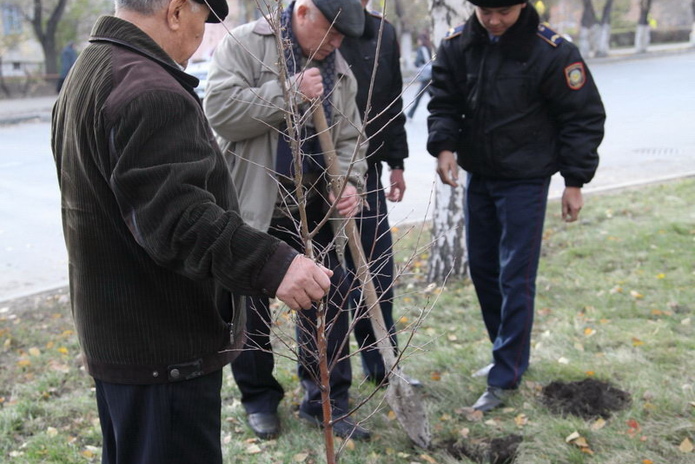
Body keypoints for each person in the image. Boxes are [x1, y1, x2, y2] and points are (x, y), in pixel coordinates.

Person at [51, 1, 335, 463]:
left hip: (121, 339)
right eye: (204, 22)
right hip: (162, 345)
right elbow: (178, 220)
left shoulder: (89, 71)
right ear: (177, 10)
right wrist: (276, 263)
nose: (201, 37)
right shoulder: (146, 90)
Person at [427, 0, 605, 412]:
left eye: (502, 12)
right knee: (485, 271)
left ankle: (505, 376)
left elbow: (583, 118)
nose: (492, 20)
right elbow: (444, 101)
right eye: (484, 11)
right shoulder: (458, 45)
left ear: (522, 4)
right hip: (480, 177)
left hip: (525, 179)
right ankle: (504, 354)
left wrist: (574, 182)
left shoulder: (553, 52)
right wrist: (445, 146)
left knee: (515, 276)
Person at [204, 0, 371, 441]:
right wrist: (289, 91)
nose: (336, 45)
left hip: (314, 211)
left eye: (341, 39)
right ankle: (259, 400)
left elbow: (352, 136)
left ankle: (326, 401)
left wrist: (350, 182)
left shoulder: (337, 66)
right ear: (302, 12)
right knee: (251, 312)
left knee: (329, 304)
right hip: (256, 209)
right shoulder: (244, 45)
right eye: (331, 33)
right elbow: (220, 112)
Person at [339, 1, 421, 388]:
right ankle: (327, 382)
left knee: (377, 272)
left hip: (366, 170)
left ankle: (382, 366)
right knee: (330, 279)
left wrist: (397, 162)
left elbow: (391, 102)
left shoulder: (383, 32)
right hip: (314, 173)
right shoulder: (314, 25)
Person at [406, 33, 433, 120]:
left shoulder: (422, 49)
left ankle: (410, 114)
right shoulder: (428, 48)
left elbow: (420, 61)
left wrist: (415, 63)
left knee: (419, 96)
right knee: (431, 95)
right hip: (429, 75)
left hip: (426, 76)